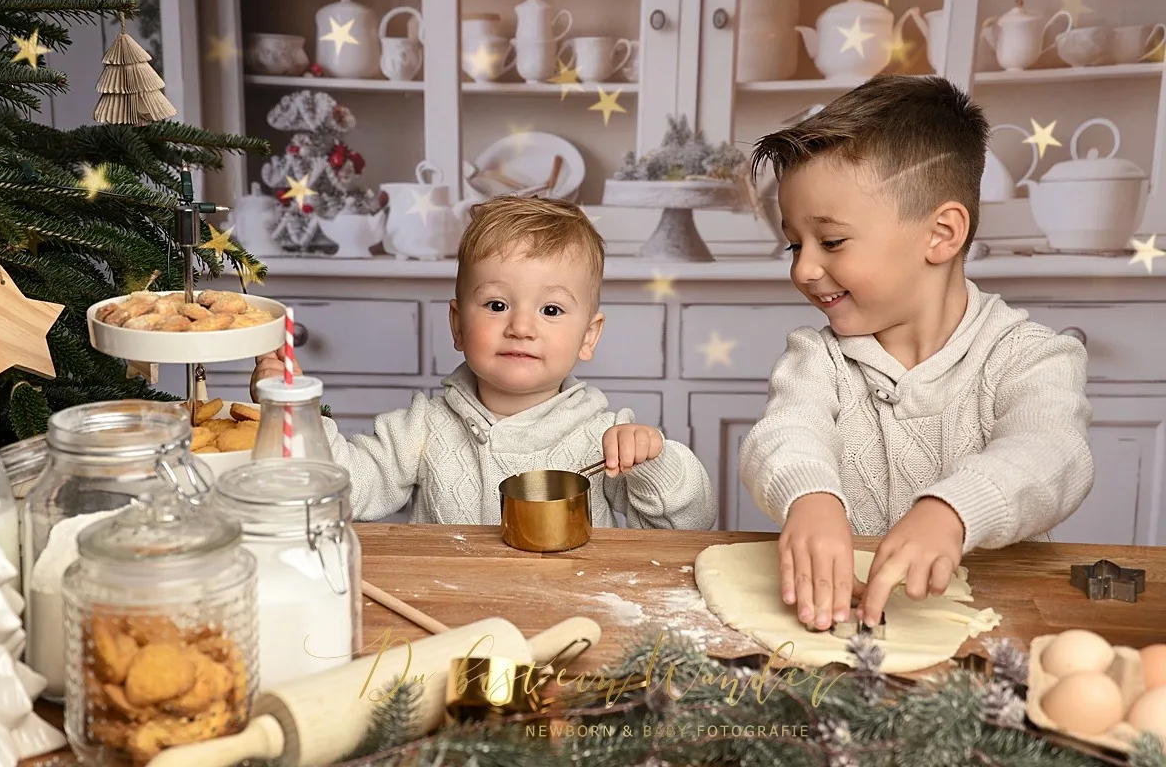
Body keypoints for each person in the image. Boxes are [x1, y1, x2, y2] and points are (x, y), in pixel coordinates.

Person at [739, 74, 1094, 633]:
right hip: (842, 631)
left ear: (942, 233)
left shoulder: (1032, 357)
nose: (804, 270)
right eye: (794, 243)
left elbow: (1053, 452)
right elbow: (786, 434)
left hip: (993, 629)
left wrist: (953, 510)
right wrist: (809, 497)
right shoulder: (818, 358)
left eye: (831, 242)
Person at [252, 194, 716, 529]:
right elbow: (344, 487)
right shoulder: (422, 428)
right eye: (496, 305)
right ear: (457, 325)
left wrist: (654, 460)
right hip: (450, 615)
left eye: (550, 310)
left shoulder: (604, 438)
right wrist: (287, 409)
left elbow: (688, 527)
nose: (521, 326)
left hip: (573, 614)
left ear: (588, 337)